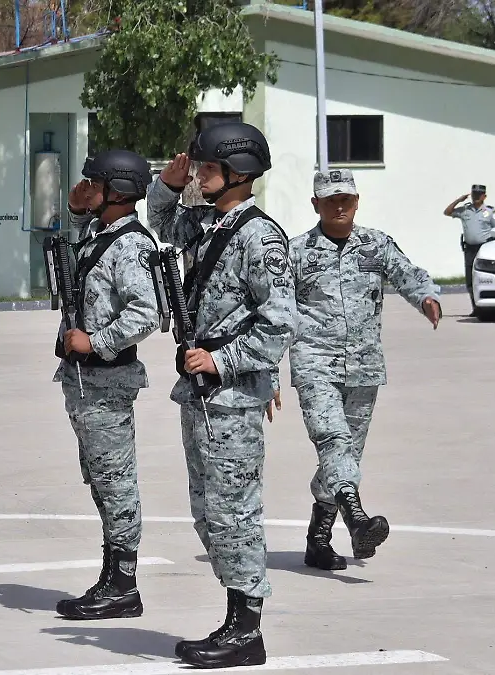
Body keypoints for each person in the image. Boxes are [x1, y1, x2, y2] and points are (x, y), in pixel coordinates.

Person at [147, 121, 296, 669]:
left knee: (235, 512)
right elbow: (160, 223)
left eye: (208, 168)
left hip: (230, 395)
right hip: (201, 393)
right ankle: (236, 616)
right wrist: (167, 182)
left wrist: (222, 359)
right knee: (209, 514)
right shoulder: (207, 224)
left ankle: (246, 628)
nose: (201, 176)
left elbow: (279, 323)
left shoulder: (261, 238)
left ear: (240, 173)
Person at [289, 169, 442, 571]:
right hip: (314, 362)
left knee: (346, 456)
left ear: (357, 202)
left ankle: (318, 540)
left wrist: (426, 297)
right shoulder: (295, 252)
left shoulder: (377, 245)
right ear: (315, 204)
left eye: (346, 199)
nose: (339, 206)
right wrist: (267, 371)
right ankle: (357, 519)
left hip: (364, 367)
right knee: (333, 441)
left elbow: (407, 274)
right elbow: (275, 312)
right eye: (330, 200)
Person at [51, 150, 162, 620]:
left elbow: (146, 313)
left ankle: (122, 585)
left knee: (116, 484)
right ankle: (113, 578)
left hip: (106, 380)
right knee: (100, 482)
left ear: (116, 191)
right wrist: (77, 212)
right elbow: (80, 262)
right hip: (85, 381)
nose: (85, 187)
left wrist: (95, 341)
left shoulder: (132, 245)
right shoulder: (103, 233)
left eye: (92, 182)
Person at [443, 185, 495, 314]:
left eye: (479, 194)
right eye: (474, 194)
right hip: (469, 249)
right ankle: (475, 307)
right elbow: (447, 212)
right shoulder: (465, 210)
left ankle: (487, 306)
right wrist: (459, 200)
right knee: (470, 279)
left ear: (484, 196)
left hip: (484, 248)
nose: (476, 197)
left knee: (484, 276)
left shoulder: (490, 212)